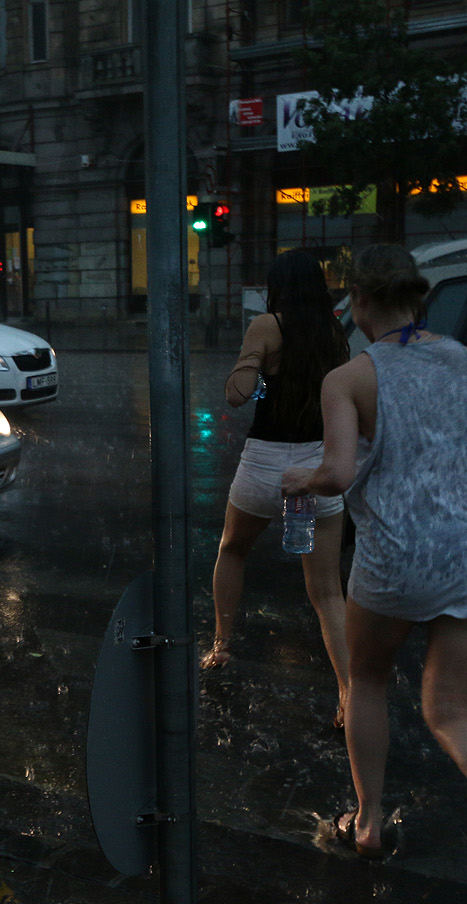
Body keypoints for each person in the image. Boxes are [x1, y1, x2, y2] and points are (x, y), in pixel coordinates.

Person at [281, 244, 467, 904]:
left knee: (368, 681)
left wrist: (298, 481)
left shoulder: (349, 378)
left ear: (362, 304)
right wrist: (451, 476)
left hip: (397, 558)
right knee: (453, 712)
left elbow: (340, 473)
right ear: (422, 299)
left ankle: (370, 823)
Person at [203, 250, 351, 729]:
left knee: (234, 548)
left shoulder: (268, 324)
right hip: (313, 473)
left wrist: (253, 365)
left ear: (278, 285)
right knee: (327, 591)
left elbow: (236, 394)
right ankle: (349, 694)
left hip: (266, 467)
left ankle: (222, 644)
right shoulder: (333, 332)